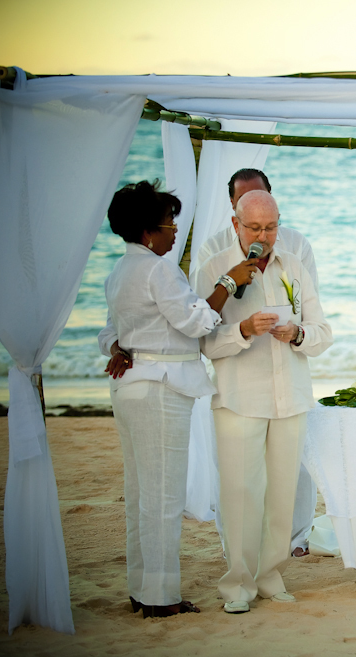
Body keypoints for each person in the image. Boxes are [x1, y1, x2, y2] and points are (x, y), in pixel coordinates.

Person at [97, 180, 257, 618]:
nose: (173, 232)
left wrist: (116, 350)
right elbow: (197, 321)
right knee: (164, 497)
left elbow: (110, 331)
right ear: (149, 232)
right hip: (161, 387)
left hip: (129, 388)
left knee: (140, 493)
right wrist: (230, 279)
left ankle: (141, 587)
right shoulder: (158, 269)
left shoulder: (119, 271)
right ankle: (160, 598)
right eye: (169, 224)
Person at [195, 190, 332, 614]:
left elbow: (323, 331)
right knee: (240, 492)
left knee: (281, 493)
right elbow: (201, 341)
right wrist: (244, 330)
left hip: (290, 397)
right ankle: (237, 585)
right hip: (240, 398)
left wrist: (299, 335)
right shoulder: (213, 268)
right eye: (254, 227)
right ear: (235, 224)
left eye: (270, 227)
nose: (264, 236)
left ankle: (271, 575)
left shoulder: (293, 265)